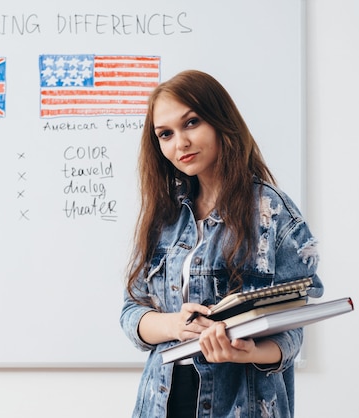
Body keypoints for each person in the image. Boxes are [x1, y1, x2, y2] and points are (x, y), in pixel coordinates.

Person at [119, 70, 324, 418]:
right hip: (161, 402)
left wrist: (246, 351)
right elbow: (131, 312)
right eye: (165, 134)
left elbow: (294, 327)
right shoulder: (164, 215)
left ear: (219, 121)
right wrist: (174, 325)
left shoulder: (272, 213)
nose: (179, 142)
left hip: (241, 404)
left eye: (192, 123)